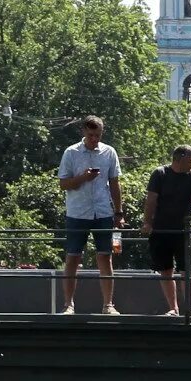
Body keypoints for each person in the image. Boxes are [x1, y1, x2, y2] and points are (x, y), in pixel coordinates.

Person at [57, 116, 123, 314]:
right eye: (91, 135)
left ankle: (108, 305)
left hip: (102, 211)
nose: (94, 139)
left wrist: (119, 212)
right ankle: (68, 305)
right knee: (73, 258)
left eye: (98, 135)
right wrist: (84, 177)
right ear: (84, 132)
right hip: (77, 212)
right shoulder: (71, 152)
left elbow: (114, 183)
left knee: (105, 257)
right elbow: (63, 184)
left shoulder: (109, 152)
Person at [143, 144, 191, 317]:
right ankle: (173, 308)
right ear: (179, 159)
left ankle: (189, 307)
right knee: (165, 270)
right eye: (190, 161)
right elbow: (151, 200)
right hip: (161, 229)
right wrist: (147, 223)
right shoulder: (160, 174)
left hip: (183, 230)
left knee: (187, 269)